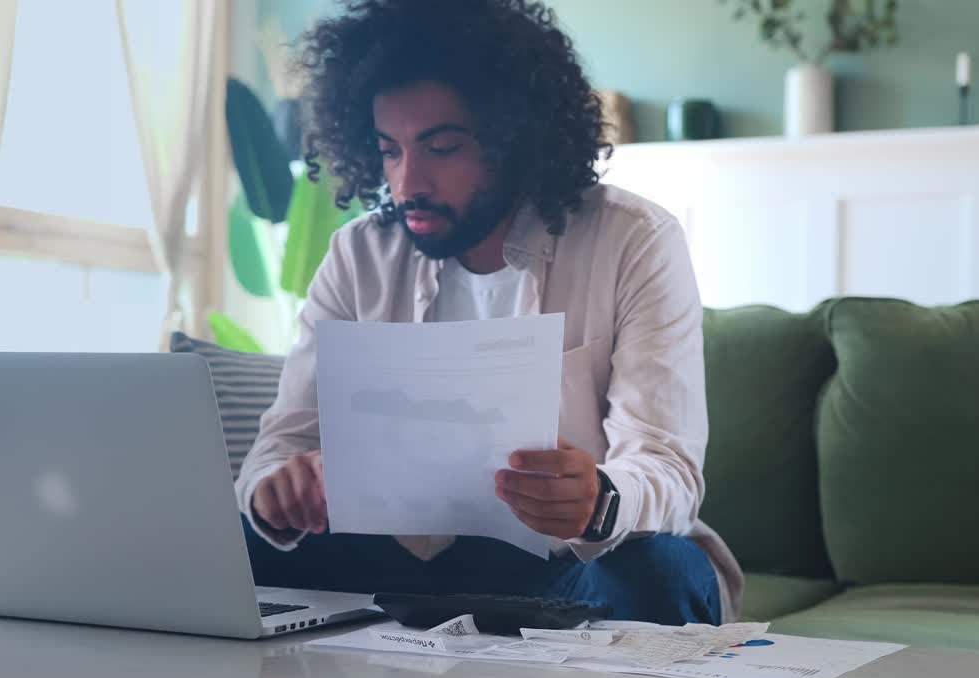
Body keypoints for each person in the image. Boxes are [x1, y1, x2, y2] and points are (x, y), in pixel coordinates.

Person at [235, 0, 741, 625]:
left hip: (564, 564)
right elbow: (280, 444)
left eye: (442, 147)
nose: (407, 181)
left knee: (662, 572)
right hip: (398, 564)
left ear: (514, 138)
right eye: (388, 150)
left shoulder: (633, 240)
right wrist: (275, 492)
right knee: (241, 550)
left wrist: (597, 501)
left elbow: (667, 467)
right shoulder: (358, 254)